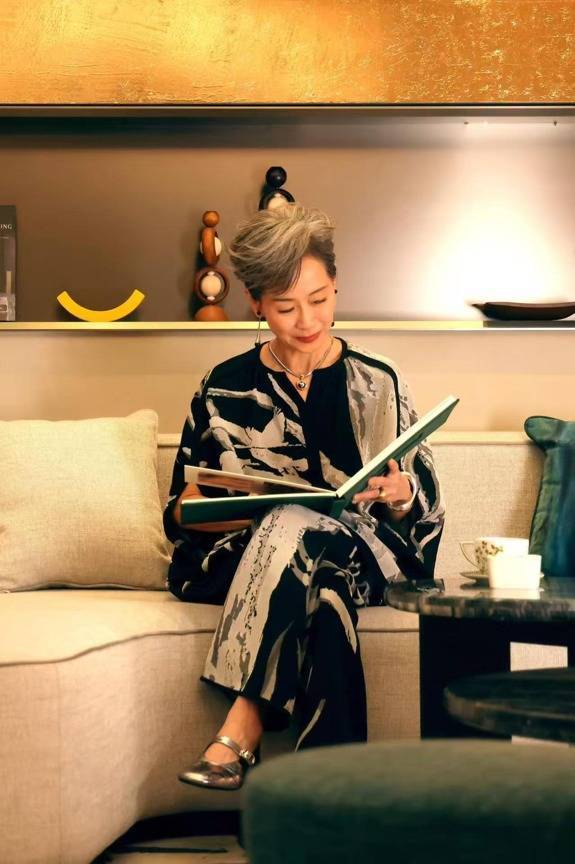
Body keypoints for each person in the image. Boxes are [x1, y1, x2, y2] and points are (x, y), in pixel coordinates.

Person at [163, 203, 444, 791]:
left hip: (368, 555)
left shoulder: (379, 381)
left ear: (336, 285)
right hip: (252, 560)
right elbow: (181, 513)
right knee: (319, 578)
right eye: (286, 306)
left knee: (304, 530)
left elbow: (422, 507)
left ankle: (242, 724)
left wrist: (399, 494)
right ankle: (330, 802)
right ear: (256, 303)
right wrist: (232, 508)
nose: (307, 320)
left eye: (319, 299)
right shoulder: (223, 386)